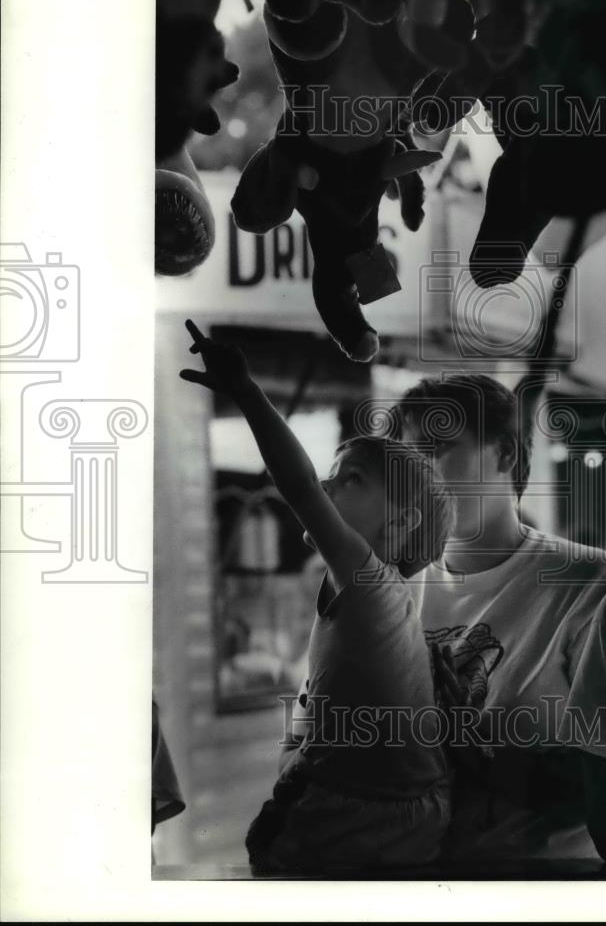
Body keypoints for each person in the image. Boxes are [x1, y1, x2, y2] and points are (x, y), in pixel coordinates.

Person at [180, 320, 454, 873]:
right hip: (370, 810)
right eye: (334, 476)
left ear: (398, 526)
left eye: (349, 479)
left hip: (369, 823)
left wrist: (247, 392)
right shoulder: (375, 591)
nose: (328, 487)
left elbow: (300, 485)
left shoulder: (373, 584)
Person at [392, 373, 606, 875]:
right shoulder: (394, 588)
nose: (418, 474)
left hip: (549, 880)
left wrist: (470, 752)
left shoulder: (588, 583)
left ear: (503, 454)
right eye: (408, 458)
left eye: (437, 450)